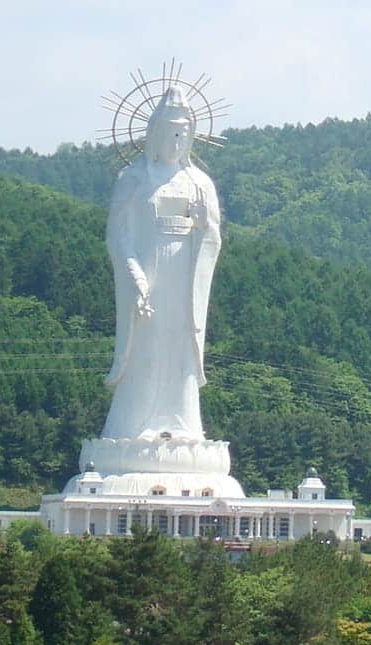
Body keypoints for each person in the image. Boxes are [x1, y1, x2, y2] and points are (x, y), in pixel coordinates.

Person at [101, 84, 221, 442]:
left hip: (183, 279)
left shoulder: (200, 182)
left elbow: (212, 236)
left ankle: (183, 423)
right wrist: (134, 274)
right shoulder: (134, 179)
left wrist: (204, 224)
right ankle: (132, 426)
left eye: (183, 134)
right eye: (170, 132)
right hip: (149, 276)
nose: (177, 140)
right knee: (146, 344)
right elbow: (117, 235)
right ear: (153, 134)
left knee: (180, 344)